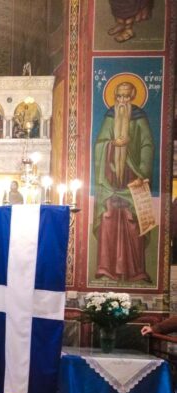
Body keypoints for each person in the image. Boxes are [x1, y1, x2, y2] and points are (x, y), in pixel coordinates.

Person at [93, 81, 154, 282]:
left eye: (126, 96)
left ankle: (136, 272)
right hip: (110, 181)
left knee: (133, 221)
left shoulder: (139, 117)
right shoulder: (110, 116)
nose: (122, 100)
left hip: (133, 179)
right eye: (119, 96)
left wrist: (142, 173)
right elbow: (100, 144)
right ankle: (105, 269)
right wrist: (112, 144)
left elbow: (147, 145)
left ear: (132, 97)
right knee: (107, 219)